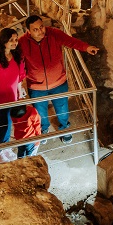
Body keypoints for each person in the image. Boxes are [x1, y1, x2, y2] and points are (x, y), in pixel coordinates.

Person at [18, 15, 99, 144]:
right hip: (36, 86)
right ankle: (43, 129)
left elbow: (70, 41)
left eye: (41, 27)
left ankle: (65, 128)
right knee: (40, 112)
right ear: (28, 30)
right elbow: (19, 63)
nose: (41, 31)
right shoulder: (22, 42)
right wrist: (18, 81)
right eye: (36, 30)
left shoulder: (53, 34)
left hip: (58, 82)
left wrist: (86, 47)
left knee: (62, 109)